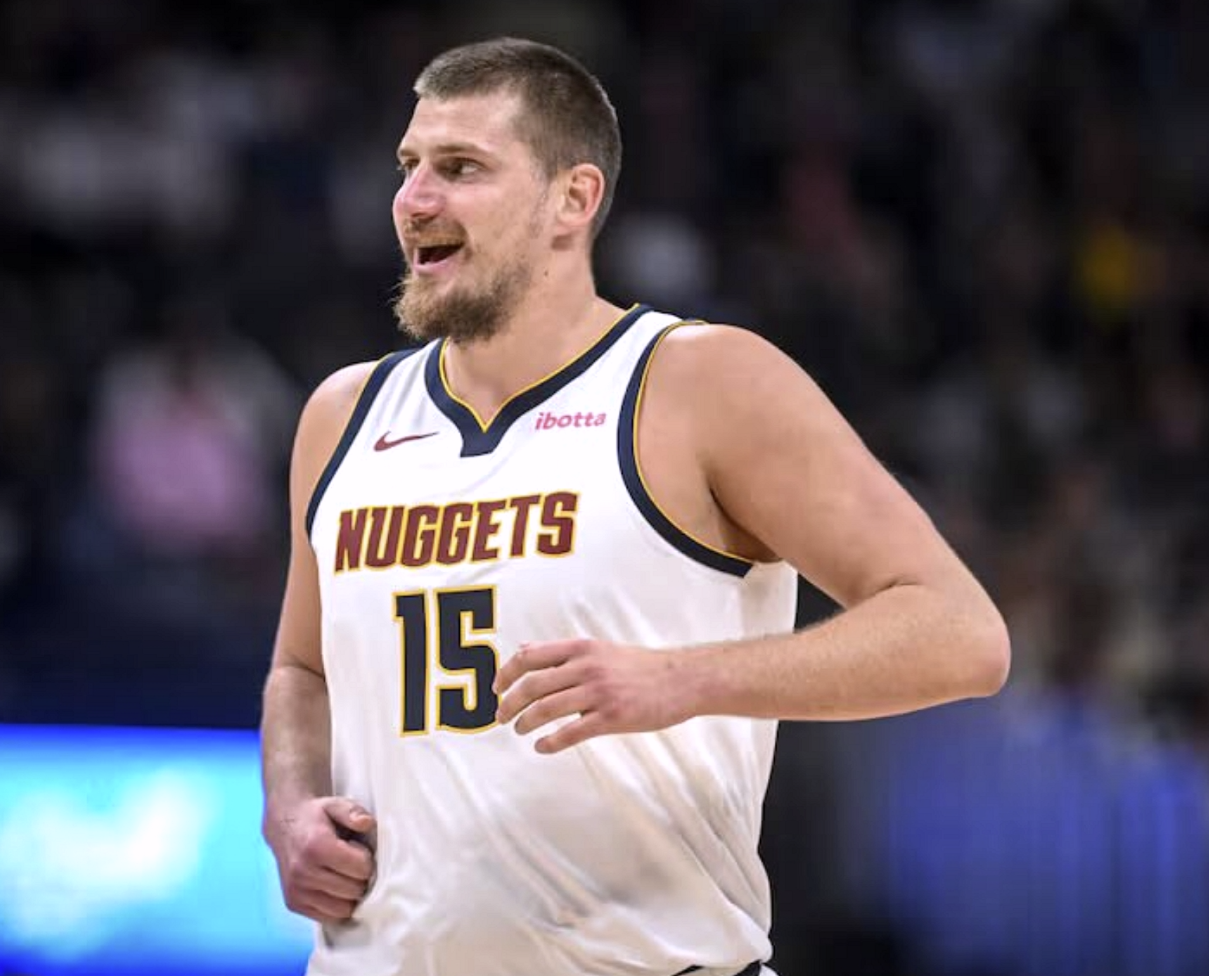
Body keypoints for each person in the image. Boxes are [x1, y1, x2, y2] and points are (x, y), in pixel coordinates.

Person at [259, 36, 1010, 976]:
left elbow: (960, 635)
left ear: (572, 199)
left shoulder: (700, 383)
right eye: (408, 167)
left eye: (460, 168)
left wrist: (682, 679)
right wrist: (290, 805)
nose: (414, 199)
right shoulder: (344, 414)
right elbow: (300, 669)